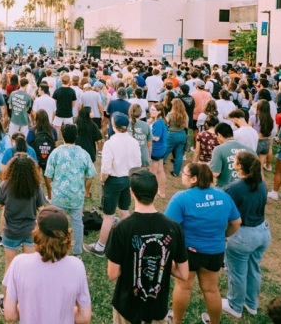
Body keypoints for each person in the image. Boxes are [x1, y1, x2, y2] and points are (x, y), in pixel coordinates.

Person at [105, 167, 189, 324]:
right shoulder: (174, 228)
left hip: (127, 307)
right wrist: (161, 263)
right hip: (157, 308)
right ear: (157, 191)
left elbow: (112, 273)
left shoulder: (121, 229)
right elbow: (184, 274)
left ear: (131, 192)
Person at [165, 162, 241, 324]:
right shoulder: (223, 196)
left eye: (184, 174)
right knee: (211, 290)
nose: (181, 176)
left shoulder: (181, 198)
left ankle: (176, 321)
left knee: (184, 287)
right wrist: (224, 236)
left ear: (193, 179)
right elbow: (236, 222)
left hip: (188, 251)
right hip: (215, 251)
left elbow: (169, 228)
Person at [2, 205, 92, 324]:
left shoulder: (19, 263)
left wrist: (26, 310)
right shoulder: (77, 266)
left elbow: (10, 315)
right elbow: (84, 317)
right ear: (67, 236)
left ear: (37, 233)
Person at [0, 154, 46, 313]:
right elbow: (42, 209)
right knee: (30, 268)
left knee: (10, 267)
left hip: (10, 232)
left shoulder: (5, 185)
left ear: (12, 169)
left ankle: (5, 301)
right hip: (30, 232)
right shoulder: (36, 186)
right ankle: (28, 301)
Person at [84, 114, 141, 257]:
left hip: (114, 180)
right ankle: (131, 241)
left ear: (113, 126)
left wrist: (103, 180)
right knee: (124, 210)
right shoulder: (134, 141)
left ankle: (100, 247)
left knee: (108, 216)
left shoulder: (110, 143)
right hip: (128, 178)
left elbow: (106, 169)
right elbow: (138, 164)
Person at [222, 151, 270, 319]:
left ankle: (235, 305)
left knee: (237, 272)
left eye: (235, 161)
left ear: (239, 166)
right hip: (262, 231)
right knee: (254, 268)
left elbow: (224, 213)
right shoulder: (261, 183)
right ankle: (251, 304)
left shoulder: (233, 188)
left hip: (243, 235)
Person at [44, 124, 97, 257]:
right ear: (76, 136)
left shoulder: (55, 153)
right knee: (77, 223)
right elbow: (91, 174)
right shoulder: (83, 153)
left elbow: (48, 175)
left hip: (58, 196)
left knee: (57, 223)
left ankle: (56, 249)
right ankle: (77, 252)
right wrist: (86, 190)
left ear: (62, 135)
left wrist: (52, 190)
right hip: (76, 196)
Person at [210, 122, 254, 189]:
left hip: (225, 190)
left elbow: (215, 173)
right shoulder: (249, 149)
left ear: (219, 135)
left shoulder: (219, 149)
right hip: (245, 189)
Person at [164, 97, 189, 177]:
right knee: (179, 154)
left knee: (165, 151)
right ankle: (176, 172)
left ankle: (158, 164)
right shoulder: (185, 115)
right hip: (182, 134)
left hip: (172, 134)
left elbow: (165, 124)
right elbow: (186, 126)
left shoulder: (170, 114)